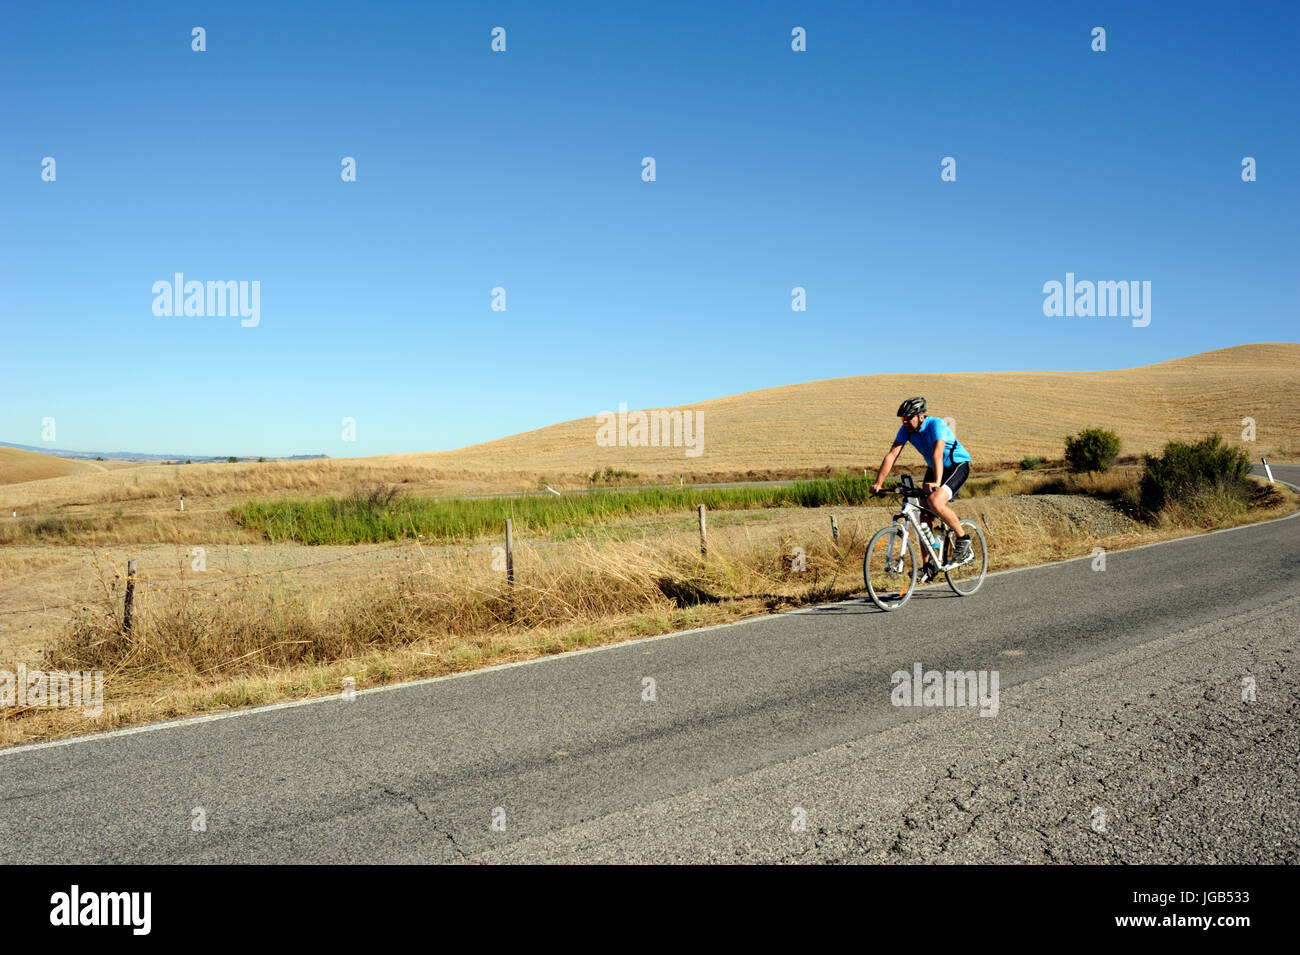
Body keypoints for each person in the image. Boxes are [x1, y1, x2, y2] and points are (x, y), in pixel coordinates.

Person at [870, 397, 973, 579]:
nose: (905, 422)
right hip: (935, 467)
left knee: (935, 501)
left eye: (908, 418)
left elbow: (937, 453)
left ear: (921, 416)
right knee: (923, 516)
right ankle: (928, 567)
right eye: (903, 419)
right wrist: (878, 483)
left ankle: (963, 539)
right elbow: (892, 455)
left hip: (956, 465)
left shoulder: (936, 424)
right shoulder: (906, 430)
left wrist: (937, 483)